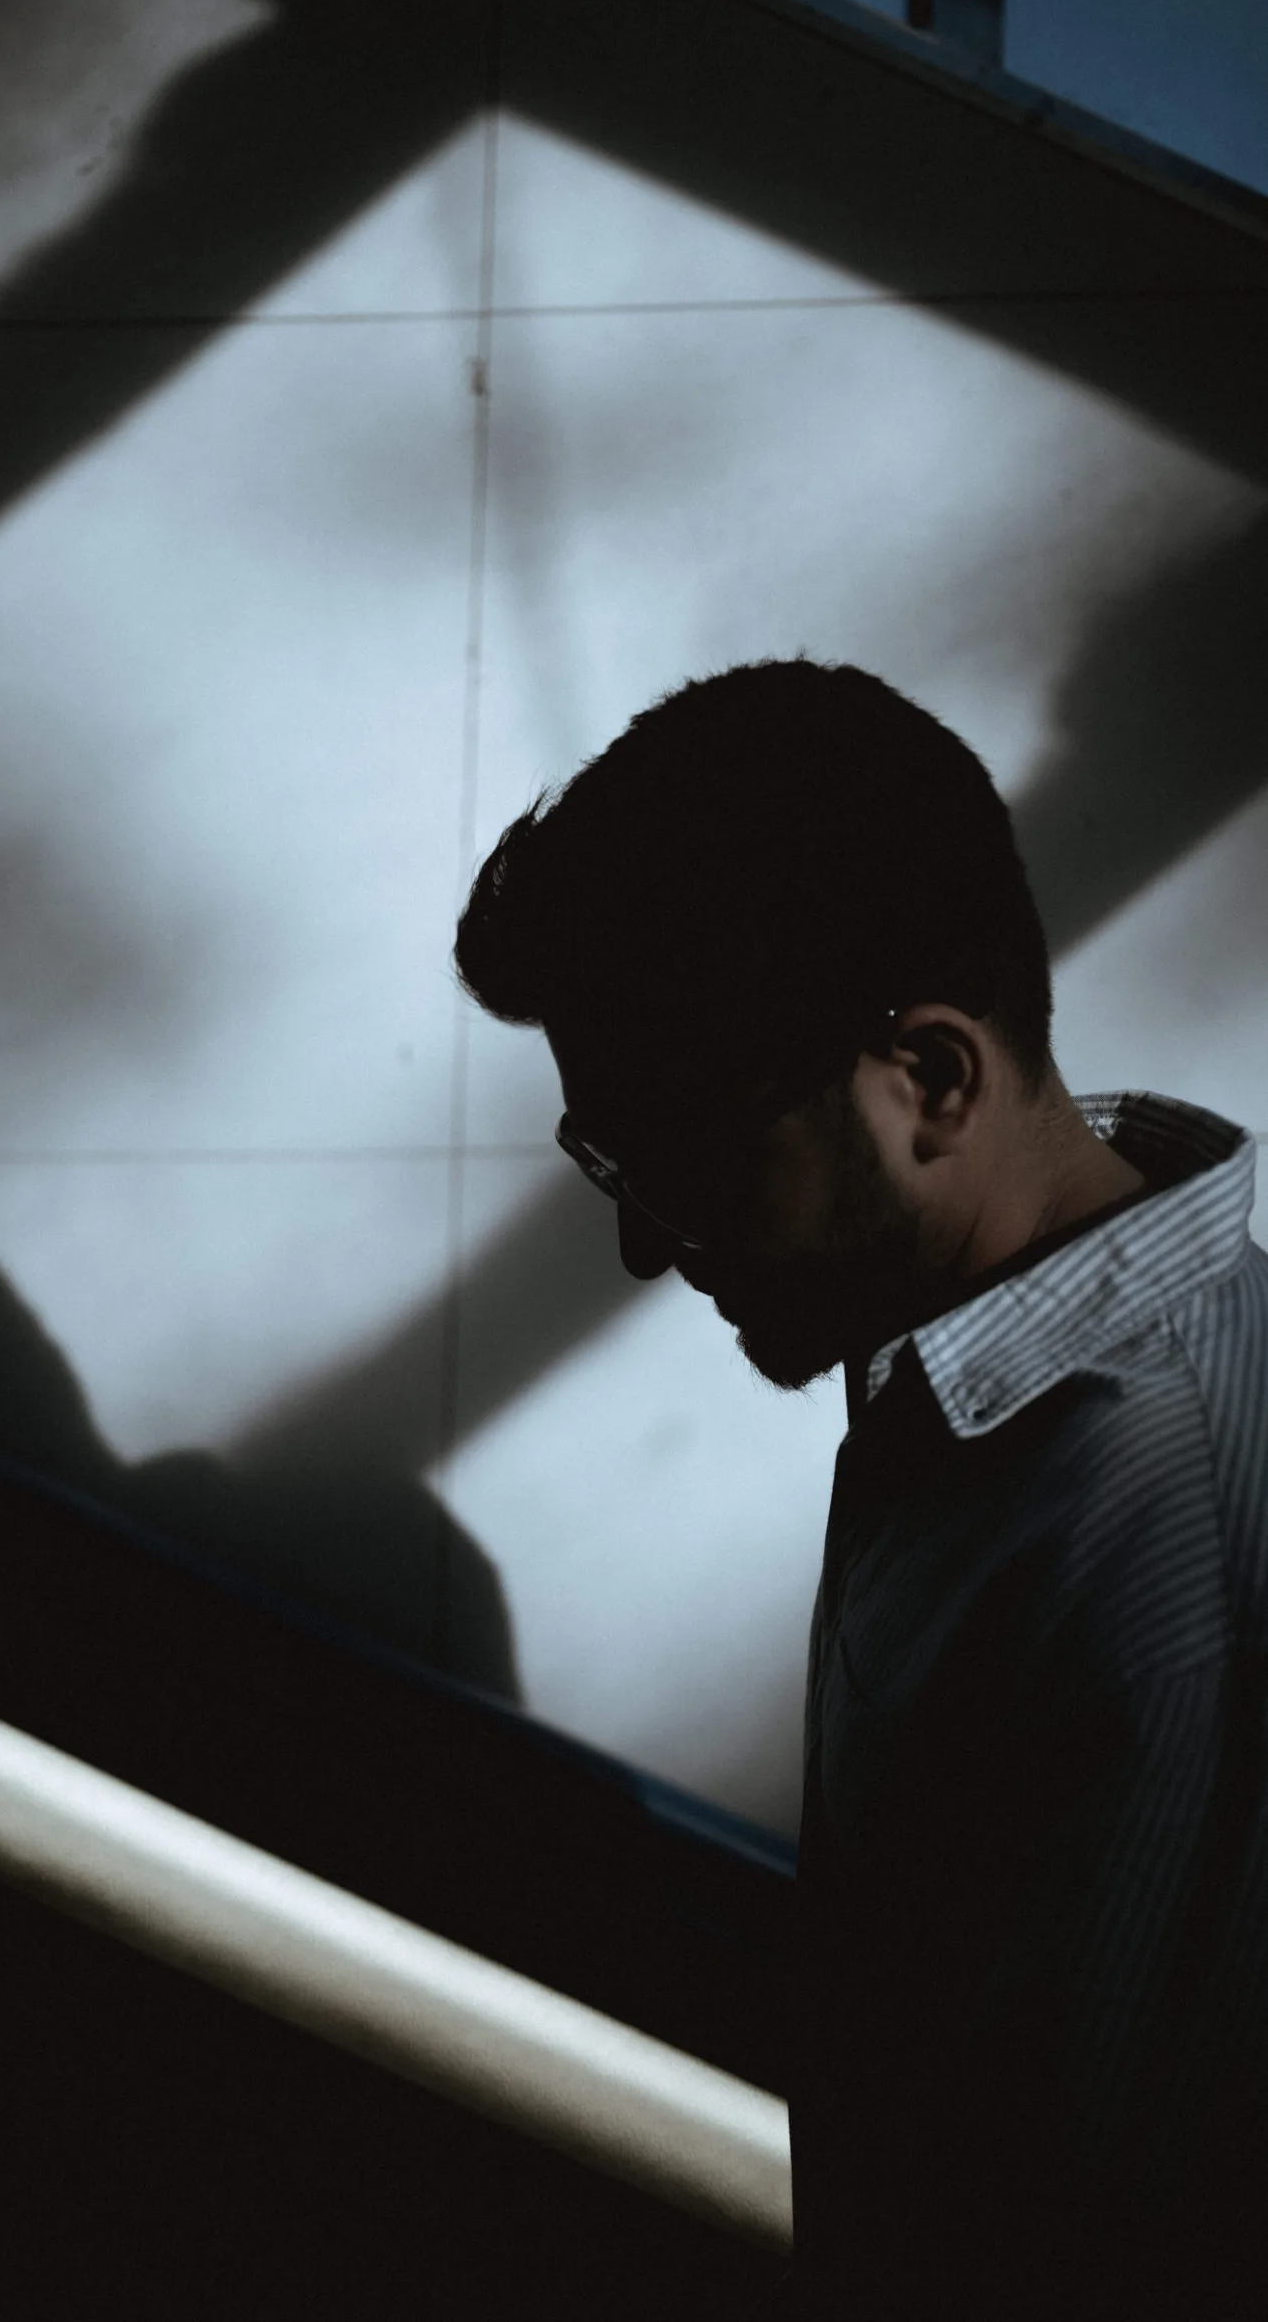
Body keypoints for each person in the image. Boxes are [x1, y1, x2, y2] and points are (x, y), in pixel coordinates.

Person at [452, 658, 1268, 2318]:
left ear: (933, 1081)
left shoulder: (1153, 1547)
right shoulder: (969, 1380)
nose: (642, 1242)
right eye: (606, 1158)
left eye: (681, 1152)